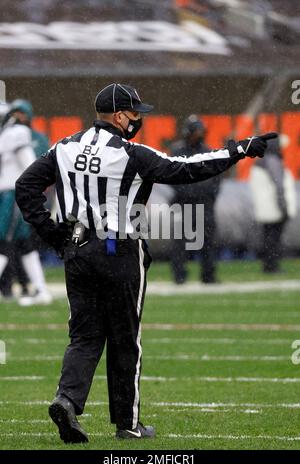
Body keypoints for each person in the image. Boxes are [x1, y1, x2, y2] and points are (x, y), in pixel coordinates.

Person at [15, 83, 276, 443]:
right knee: (126, 339)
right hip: (119, 250)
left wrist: (53, 233)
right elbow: (185, 168)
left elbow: (25, 185)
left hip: (78, 248)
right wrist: (239, 150)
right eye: (135, 113)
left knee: (84, 336)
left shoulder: (63, 147)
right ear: (120, 115)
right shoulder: (130, 154)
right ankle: (128, 423)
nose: (138, 119)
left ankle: (68, 400)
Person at [0, 103, 52, 305]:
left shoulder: (17, 133)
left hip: (14, 193)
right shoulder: (7, 135)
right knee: (24, 243)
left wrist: (31, 189)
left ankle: (41, 290)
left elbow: (31, 164)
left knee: (4, 240)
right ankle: (41, 289)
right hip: (9, 193)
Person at [170, 115, 221, 284]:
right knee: (180, 242)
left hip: (204, 204)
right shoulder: (178, 152)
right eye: (196, 131)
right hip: (184, 204)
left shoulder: (208, 152)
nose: (198, 134)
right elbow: (172, 178)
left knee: (208, 241)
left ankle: (208, 274)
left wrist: (206, 193)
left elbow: (216, 179)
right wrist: (191, 190)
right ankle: (179, 275)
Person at [249, 136, 297, 273]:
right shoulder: (272, 161)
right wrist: (284, 206)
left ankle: (268, 265)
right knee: (274, 239)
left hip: (264, 208)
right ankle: (272, 266)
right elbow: (279, 185)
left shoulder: (260, 161)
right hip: (274, 208)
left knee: (268, 238)